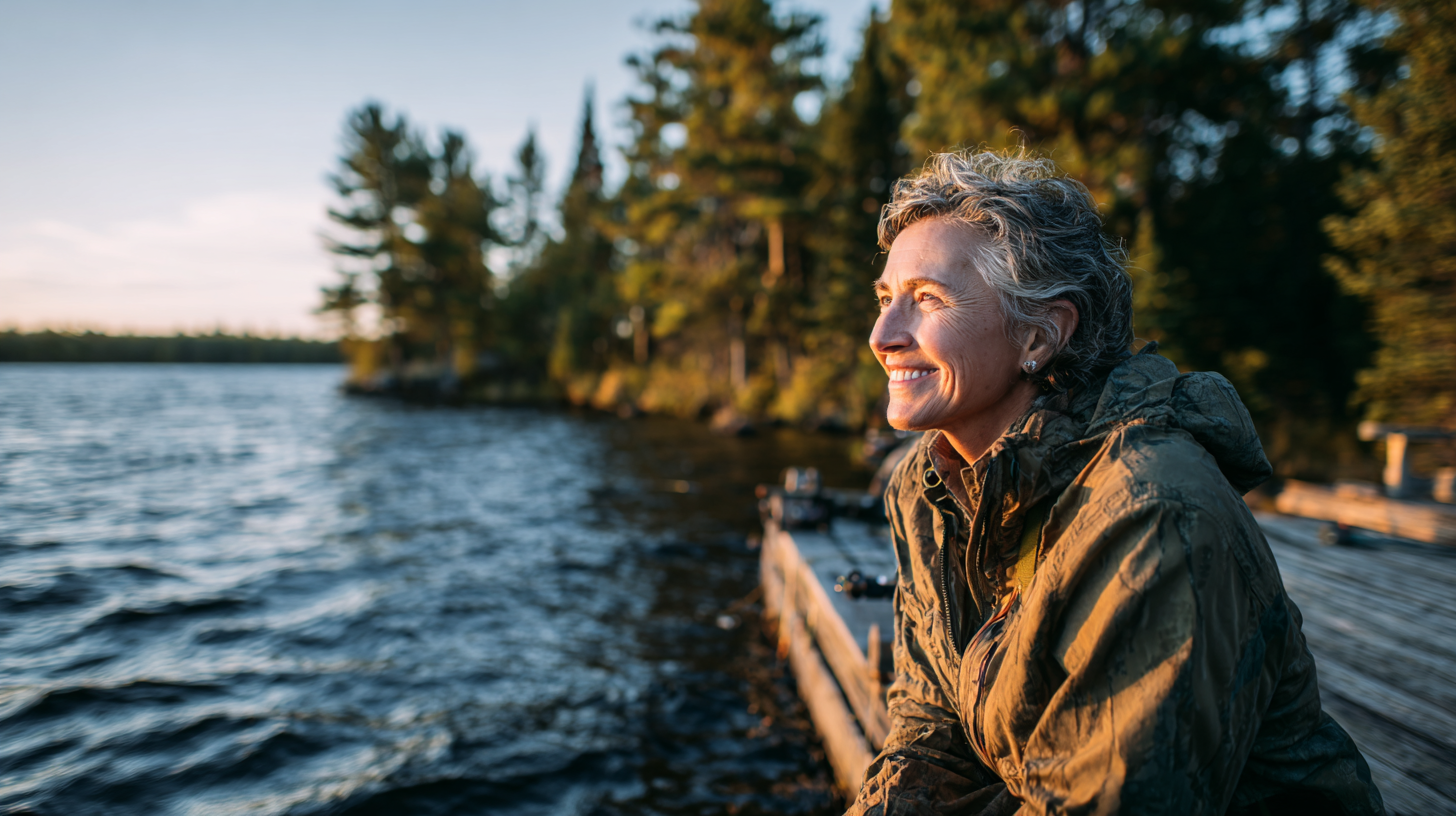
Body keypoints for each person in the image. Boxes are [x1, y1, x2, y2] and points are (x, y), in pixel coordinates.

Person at [847, 150, 1384, 816]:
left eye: (928, 299)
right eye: (884, 299)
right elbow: (931, 731)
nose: (882, 336)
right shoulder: (926, 488)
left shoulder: (1153, 515)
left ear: (1041, 335)